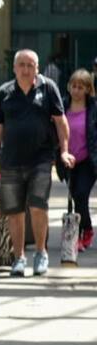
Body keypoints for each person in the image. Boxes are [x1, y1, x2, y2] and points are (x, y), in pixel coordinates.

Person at [0, 49, 74, 276]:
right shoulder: (4, 93)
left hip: (41, 159)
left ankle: (41, 253)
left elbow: (60, 122)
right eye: (22, 65)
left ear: (37, 68)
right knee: (14, 211)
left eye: (30, 65)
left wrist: (65, 151)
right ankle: (18, 258)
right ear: (15, 68)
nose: (26, 70)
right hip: (10, 161)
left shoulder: (47, 88)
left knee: (38, 206)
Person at [64, 69, 97, 252]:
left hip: (88, 161)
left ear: (87, 89)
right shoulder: (63, 106)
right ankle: (80, 233)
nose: (76, 90)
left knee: (81, 195)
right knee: (74, 198)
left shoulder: (93, 109)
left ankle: (86, 231)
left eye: (80, 87)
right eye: (73, 86)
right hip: (68, 161)